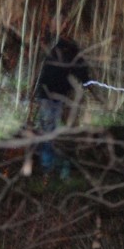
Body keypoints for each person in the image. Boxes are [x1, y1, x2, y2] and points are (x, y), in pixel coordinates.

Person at [34, 15, 92, 181]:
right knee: (48, 128)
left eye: (61, 23)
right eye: (55, 23)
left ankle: (48, 162)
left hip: (59, 94)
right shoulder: (47, 42)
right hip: (46, 93)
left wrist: (86, 80)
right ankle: (46, 164)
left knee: (51, 129)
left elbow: (80, 65)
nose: (58, 26)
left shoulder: (69, 47)